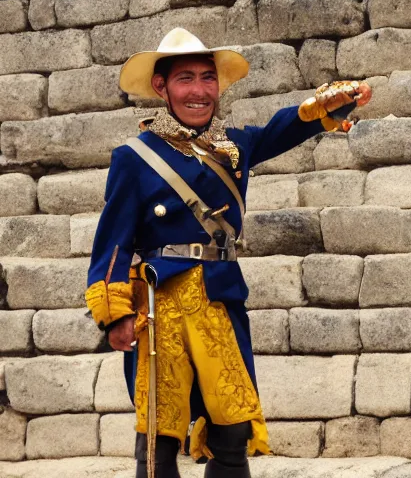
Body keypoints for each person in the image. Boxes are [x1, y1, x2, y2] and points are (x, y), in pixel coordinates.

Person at [85, 27, 371, 478]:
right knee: (159, 435)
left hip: (219, 298)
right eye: (185, 79)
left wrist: (325, 108)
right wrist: (114, 313)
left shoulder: (233, 145)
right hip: (162, 308)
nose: (199, 91)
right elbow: (114, 240)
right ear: (162, 87)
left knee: (233, 431)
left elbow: (283, 128)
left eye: (207, 78)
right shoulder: (135, 157)